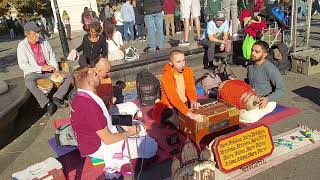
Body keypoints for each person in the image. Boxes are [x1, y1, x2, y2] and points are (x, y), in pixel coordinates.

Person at [70, 66, 157, 178]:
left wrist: (126, 122)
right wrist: (129, 133)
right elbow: (108, 139)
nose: (99, 75)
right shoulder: (89, 105)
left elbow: (104, 118)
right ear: (90, 83)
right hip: (99, 146)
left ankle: (130, 130)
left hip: (103, 129)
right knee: (152, 146)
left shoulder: (81, 94)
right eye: (96, 75)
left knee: (131, 107)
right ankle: (116, 160)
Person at [17, 22, 72, 116]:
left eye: (38, 32)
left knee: (69, 76)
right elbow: (23, 65)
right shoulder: (22, 46)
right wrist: (41, 68)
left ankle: (57, 97)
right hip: (33, 72)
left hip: (48, 70)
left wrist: (56, 69)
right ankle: (47, 103)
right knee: (29, 82)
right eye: (35, 33)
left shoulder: (44, 41)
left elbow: (52, 56)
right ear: (28, 34)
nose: (38, 35)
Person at [152, 50, 202, 128]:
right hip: (171, 106)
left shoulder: (188, 70)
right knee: (176, 122)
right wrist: (189, 114)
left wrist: (193, 101)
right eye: (178, 62)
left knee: (202, 109)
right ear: (171, 63)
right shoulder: (166, 75)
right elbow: (173, 98)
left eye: (183, 60)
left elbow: (190, 88)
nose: (182, 64)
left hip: (184, 102)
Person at [240, 41, 285, 123]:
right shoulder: (250, 65)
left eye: (256, 52)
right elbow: (251, 82)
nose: (253, 53)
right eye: (252, 50)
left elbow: (281, 90)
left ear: (264, 55)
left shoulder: (271, 69)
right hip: (252, 99)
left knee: (248, 117)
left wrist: (268, 99)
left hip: (267, 101)